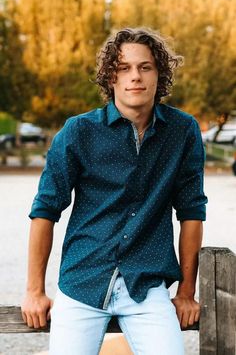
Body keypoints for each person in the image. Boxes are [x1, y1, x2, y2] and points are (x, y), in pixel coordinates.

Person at [21, 27, 207, 355]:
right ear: (111, 78)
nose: (135, 76)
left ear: (159, 75)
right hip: (82, 284)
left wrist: (187, 292)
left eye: (145, 67)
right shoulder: (78, 132)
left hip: (147, 287)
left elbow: (191, 211)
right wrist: (35, 291)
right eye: (124, 68)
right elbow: (45, 210)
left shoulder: (182, 131)